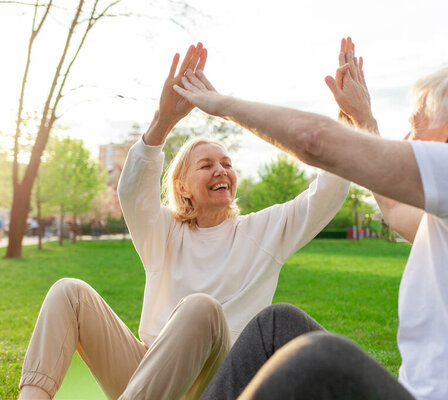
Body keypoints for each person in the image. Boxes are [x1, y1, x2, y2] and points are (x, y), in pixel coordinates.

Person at [174, 38, 448, 399]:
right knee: (278, 326)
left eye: (415, 127)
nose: (406, 141)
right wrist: (364, 119)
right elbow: (394, 210)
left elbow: (315, 140)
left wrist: (221, 105)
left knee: (318, 359)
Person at [18, 43, 349, 400]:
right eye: (206, 165)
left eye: (227, 163)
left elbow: (326, 194)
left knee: (202, 307)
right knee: (69, 292)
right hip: (147, 373)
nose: (221, 170)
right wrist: (163, 122)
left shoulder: (262, 231)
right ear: (182, 187)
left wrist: (348, 121)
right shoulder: (162, 232)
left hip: (218, 380)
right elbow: (132, 191)